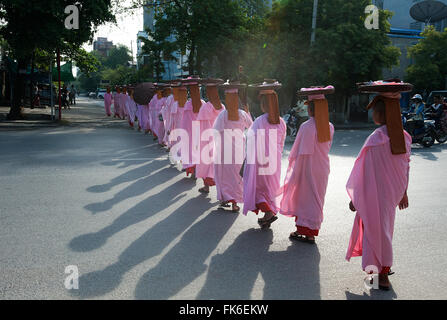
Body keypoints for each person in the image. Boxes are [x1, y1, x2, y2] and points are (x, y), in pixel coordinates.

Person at [346, 82, 412, 291]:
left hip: (373, 196)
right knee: (385, 231)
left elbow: (363, 171)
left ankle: (379, 276)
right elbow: (405, 169)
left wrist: (355, 198)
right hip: (392, 195)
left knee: (374, 233)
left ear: (381, 114)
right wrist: (404, 193)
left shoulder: (376, 138)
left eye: (375, 109)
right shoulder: (405, 137)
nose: (373, 113)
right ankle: (382, 272)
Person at [278, 86, 335, 242]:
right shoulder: (330, 126)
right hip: (322, 168)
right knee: (317, 199)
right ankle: (311, 232)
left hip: (307, 169)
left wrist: (294, 172)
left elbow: (297, 152)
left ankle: (304, 231)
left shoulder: (306, 126)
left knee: (304, 199)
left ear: (311, 109)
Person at [242, 81, 287, 229]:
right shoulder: (281, 122)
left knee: (260, 188)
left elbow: (250, 139)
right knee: (271, 187)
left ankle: (269, 214)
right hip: (275, 162)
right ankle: (269, 213)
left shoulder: (260, 120)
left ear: (264, 105)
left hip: (261, 162)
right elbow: (281, 143)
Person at [213, 82, 253, 212]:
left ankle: (227, 198)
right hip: (239, 149)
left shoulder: (223, 115)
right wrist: (248, 112)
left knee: (225, 175)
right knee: (236, 176)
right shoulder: (242, 114)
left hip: (225, 150)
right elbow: (252, 127)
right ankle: (235, 202)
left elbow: (216, 132)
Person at [196, 79, 225, 194]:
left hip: (206, 138)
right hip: (219, 138)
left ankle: (206, 186)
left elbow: (201, 125)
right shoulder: (222, 107)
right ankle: (222, 190)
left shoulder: (205, 107)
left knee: (205, 162)